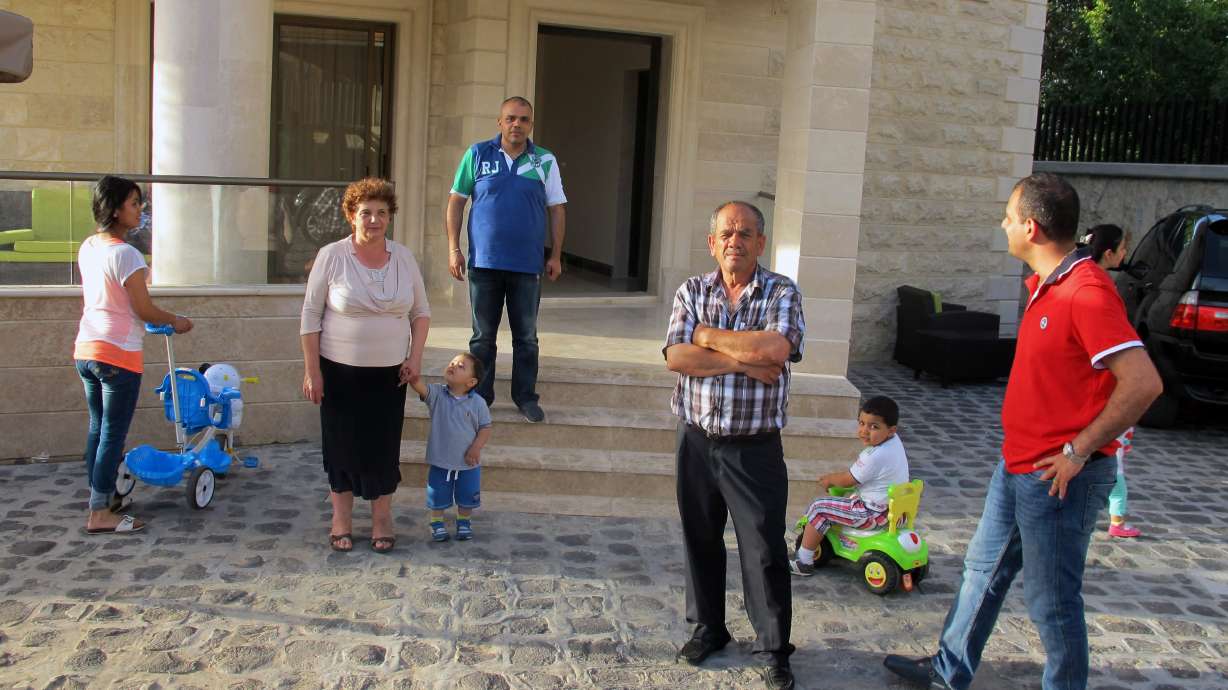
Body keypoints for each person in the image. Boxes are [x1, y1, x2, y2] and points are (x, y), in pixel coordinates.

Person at [884, 174, 1162, 690]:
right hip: (1016, 467)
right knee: (980, 573)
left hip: (1058, 481)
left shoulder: (1086, 292)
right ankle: (948, 672)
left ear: (1030, 227)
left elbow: (1143, 383)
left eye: (1009, 218)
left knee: (1053, 603)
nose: (1004, 225)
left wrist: (1078, 451)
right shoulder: (1047, 285)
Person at [664, 201, 805, 690]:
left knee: (764, 548)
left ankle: (773, 648)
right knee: (700, 537)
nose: (735, 241)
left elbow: (776, 350)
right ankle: (710, 627)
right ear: (712, 242)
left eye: (745, 233)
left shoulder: (781, 292)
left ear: (760, 243)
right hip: (697, 439)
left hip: (754, 446)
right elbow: (678, 357)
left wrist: (707, 338)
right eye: (726, 233)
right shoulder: (691, 290)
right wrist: (740, 361)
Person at [300, 178, 431, 554]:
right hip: (340, 371)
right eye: (366, 213)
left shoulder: (404, 258)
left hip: (391, 373)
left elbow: (421, 313)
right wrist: (313, 371)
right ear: (351, 216)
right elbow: (310, 316)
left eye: (381, 213)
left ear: (390, 217)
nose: (373, 220)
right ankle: (340, 518)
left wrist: (415, 357)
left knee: (382, 447)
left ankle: (381, 519)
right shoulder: (331, 256)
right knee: (341, 444)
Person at [75, 175, 193, 535]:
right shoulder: (126, 254)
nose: (140, 209)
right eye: (134, 203)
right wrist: (177, 321)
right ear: (114, 210)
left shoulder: (89, 246)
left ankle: (104, 496)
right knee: (112, 433)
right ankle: (100, 512)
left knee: (99, 428)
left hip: (87, 349)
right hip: (117, 354)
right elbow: (143, 309)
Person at [445, 96, 567, 423]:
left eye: (523, 119)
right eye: (510, 118)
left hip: (527, 266)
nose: (517, 124)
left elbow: (556, 209)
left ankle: (525, 397)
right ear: (499, 122)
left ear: (531, 125)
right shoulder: (477, 154)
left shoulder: (544, 160)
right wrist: (454, 248)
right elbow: (456, 202)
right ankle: (480, 397)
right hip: (483, 263)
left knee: (526, 337)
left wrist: (555, 254)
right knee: (482, 337)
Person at [789, 395, 909, 576]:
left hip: (871, 513)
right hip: (892, 510)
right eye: (861, 423)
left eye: (873, 426)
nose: (864, 431)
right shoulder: (894, 443)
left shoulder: (874, 456)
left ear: (891, 430)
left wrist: (829, 480)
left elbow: (847, 479)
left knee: (819, 507)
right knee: (847, 497)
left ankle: (804, 561)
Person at [1082, 223, 1141, 538]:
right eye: (1122, 249)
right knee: (1113, 469)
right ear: (1109, 253)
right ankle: (1116, 521)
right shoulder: (1099, 291)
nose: (1125, 255)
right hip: (1103, 402)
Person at [407, 352, 493, 542]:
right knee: (437, 494)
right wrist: (412, 377)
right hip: (441, 460)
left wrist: (476, 448)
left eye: (461, 366)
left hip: (468, 462)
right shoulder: (437, 394)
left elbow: (485, 428)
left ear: (471, 382)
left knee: (467, 495)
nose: (453, 365)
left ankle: (464, 521)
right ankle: (437, 523)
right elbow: (420, 388)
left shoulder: (478, 403)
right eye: (452, 362)